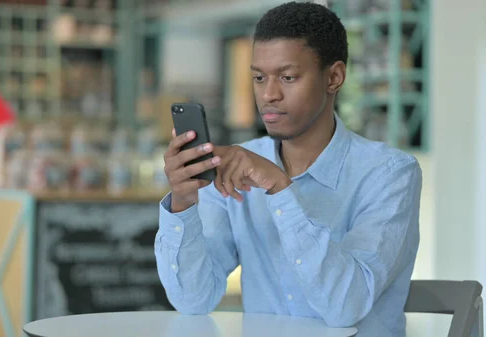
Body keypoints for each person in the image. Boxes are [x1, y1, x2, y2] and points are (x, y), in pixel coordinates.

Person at [155, 2, 422, 336]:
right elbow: (193, 300)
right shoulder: (237, 165)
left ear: (334, 77)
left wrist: (281, 190)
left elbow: (345, 308)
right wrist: (183, 202)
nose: (269, 94)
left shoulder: (390, 173)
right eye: (259, 77)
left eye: (288, 77)